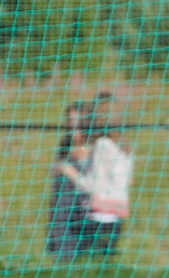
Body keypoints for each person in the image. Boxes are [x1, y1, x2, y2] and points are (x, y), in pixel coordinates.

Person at [55, 111, 134, 260]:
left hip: (98, 217)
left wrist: (69, 171)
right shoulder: (126, 147)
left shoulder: (102, 145)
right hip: (117, 219)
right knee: (105, 267)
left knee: (87, 267)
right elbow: (128, 180)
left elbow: (92, 185)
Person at [45, 101, 90, 260]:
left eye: (76, 120)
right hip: (63, 207)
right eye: (70, 120)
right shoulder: (65, 146)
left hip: (83, 208)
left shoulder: (92, 147)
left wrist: (69, 171)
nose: (72, 124)